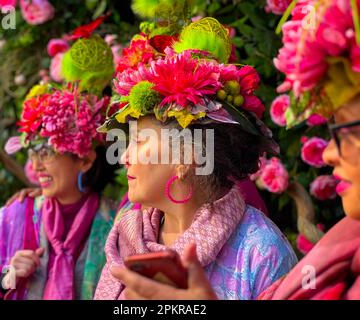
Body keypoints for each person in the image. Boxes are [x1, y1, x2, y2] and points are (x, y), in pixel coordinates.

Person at [94, 17, 297, 300]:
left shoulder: (260, 251)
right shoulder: (128, 236)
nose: (125, 156)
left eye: (139, 141)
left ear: (186, 156)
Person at [0, 32, 118, 300]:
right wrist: (5, 276)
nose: (35, 164)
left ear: (85, 159)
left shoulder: (116, 225)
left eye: (46, 151)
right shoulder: (15, 216)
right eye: (33, 150)